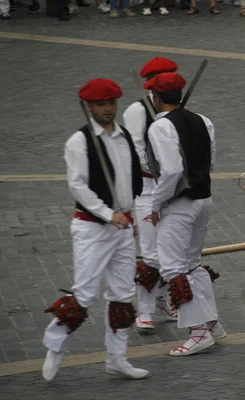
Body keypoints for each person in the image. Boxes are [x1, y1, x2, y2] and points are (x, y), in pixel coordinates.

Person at [42, 78, 148, 381]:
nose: (108, 109)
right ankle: (55, 347)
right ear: (89, 106)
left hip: (124, 226)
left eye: (111, 103)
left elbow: (131, 182)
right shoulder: (79, 141)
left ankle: (117, 358)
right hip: (92, 229)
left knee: (123, 293)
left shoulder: (124, 135)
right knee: (85, 295)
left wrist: (132, 216)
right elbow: (78, 186)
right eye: (101, 104)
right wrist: (107, 213)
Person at [144, 72, 226, 356]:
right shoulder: (204, 120)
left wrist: (155, 204)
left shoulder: (160, 127)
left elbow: (172, 171)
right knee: (193, 263)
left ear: (156, 98)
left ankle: (199, 332)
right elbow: (211, 159)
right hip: (203, 198)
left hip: (179, 203)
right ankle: (212, 324)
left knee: (173, 268)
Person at [123, 57, 180, 330]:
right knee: (150, 252)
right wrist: (155, 167)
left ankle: (161, 300)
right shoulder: (137, 110)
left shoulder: (176, 108)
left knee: (168, 249)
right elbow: (134, 148)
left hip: (171, 186)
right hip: (146, 188)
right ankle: (144, 310)